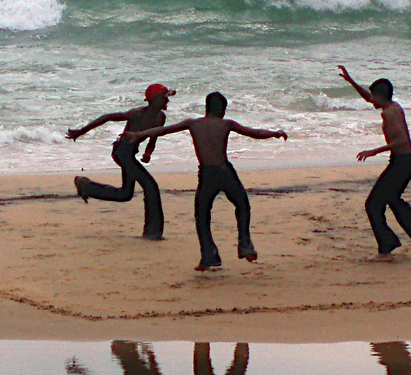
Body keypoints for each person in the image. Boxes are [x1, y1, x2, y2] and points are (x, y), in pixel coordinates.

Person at [126, 92, 286, 271]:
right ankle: (245, 245)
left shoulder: (193, 123)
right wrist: (274, 133)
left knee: (202, 216)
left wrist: (138, 134)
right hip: (225, 172)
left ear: (206, 108)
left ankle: (209, 256)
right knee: (242, 205)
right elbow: (254, 133)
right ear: (223, 110)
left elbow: (163, 130)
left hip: (207, 174)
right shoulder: (226, 124)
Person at [338, 65, 411, 261]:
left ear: (380, 97)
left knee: (373, 204)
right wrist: (350, 81)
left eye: (373, 96)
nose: (370, 100)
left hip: (403, 162)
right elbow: (368, 97)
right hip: (405, 160)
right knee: (391, 199)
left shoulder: (389, 113)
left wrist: (374, 151)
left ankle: (386, 250)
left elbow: (401, 140)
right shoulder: (391, 106)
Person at [66, 83, 173, 239]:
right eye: (165, 98)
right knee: (151, 186)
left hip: (130, 153)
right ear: (155, 100)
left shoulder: (161, 117)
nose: (167, 102)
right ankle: (152, 233)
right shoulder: (137, 114)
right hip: (121, 151)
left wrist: (148, 153)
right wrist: (81, 132)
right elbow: (107, 117)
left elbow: (153, 138)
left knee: (125, 194)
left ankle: (86, 186)